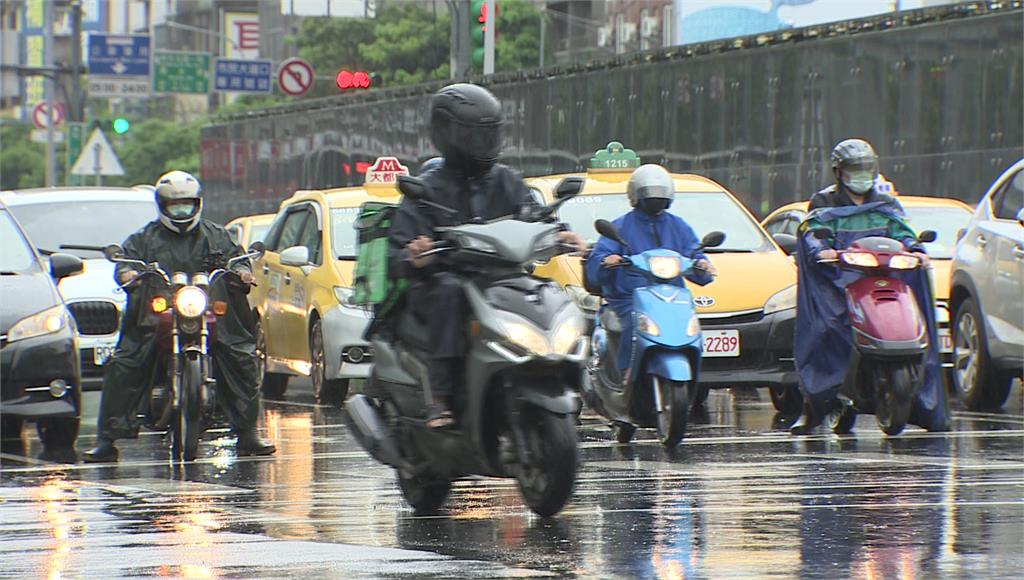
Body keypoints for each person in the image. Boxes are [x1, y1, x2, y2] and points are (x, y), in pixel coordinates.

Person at [386, 83, 583, 429]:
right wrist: (414, 253)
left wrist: (560, 233)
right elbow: (397, 252)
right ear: (446, 134)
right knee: (449, 293)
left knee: (548, 293)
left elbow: (533, 215)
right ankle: (440, 397)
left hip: (502, 280)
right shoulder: (426, 188)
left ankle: (573, 378)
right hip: (444, 282)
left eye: (489, 134)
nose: (483, 143)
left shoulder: (507, 180)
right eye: (473, 135)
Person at [83, 171, 276, 462]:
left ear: (197, 203)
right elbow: (126, 261)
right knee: (125, 361)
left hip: (206, 309)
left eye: (186, 205)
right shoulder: (145, 238)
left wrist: (242, 271)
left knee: (241, 355)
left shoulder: (215, 235)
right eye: (175, 206)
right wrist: (128, 273)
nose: (181, 211)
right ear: (162, 205)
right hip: (156, 313)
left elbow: (237, 258)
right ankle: (107, 440)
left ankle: (247, 432)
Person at [790, 145, 948, 435]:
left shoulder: (885, 204)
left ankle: (920, 400)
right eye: (855, 170)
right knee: (826, 328)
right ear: (839, 173)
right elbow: (812, 233)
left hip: (883, 277)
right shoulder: (824, 201)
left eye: (866, 170)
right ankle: (814, 405)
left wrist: (915, 249)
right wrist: (821, 250)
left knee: (918, 321)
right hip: (840, 280)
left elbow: (903, 232)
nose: (861, 176)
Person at [585, 164, 717, 382]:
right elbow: (599, 259)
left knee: (688, 323)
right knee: (634, 322)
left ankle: (692, 365)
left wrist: (702, 265)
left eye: (660, 194)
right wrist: (606, 261)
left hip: (671, 296)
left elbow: (693, 252)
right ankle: (626, 372)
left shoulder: (678, 226)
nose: (655, 199)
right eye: (649, 194)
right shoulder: (620, 227)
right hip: (629, 296)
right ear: (636, 196)